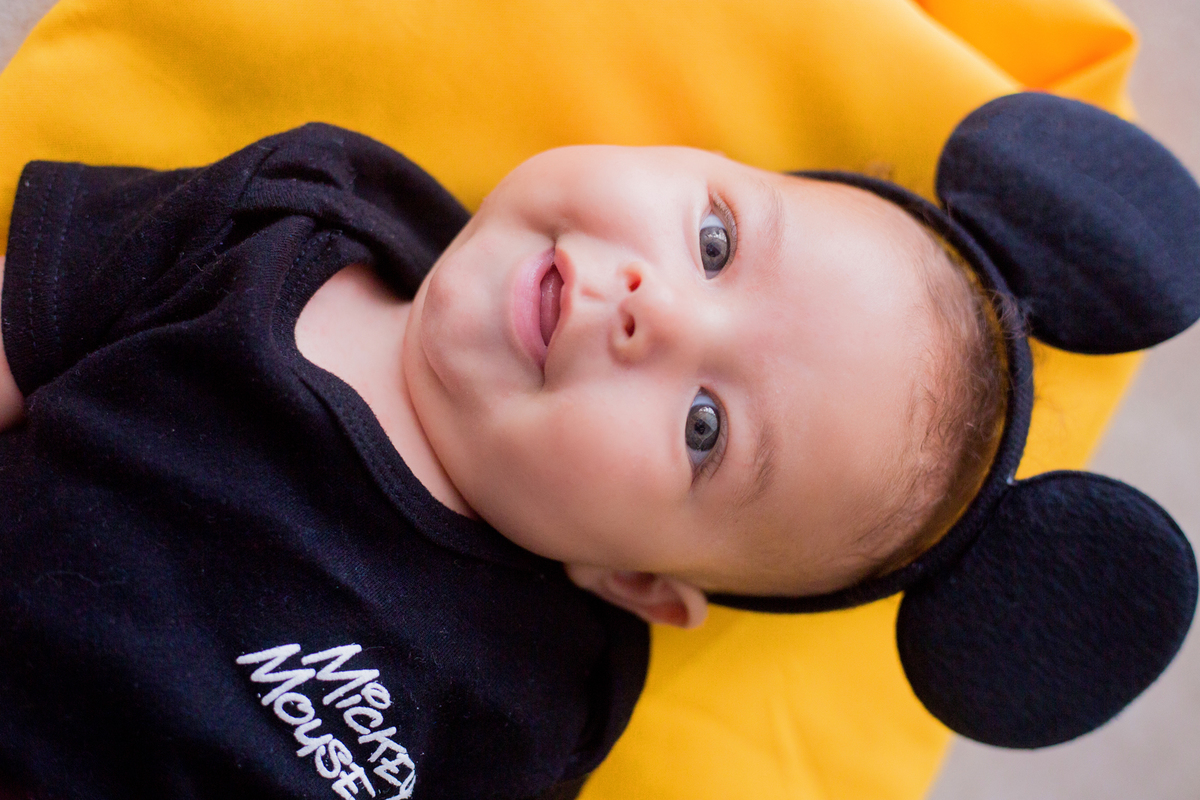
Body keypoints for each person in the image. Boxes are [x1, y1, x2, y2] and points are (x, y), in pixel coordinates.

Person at [1, 92, 1196, 798]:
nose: (656, 306)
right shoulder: (289, 219)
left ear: (631, 580)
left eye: (704, 426)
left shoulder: (538, 687)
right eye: (718, 241)